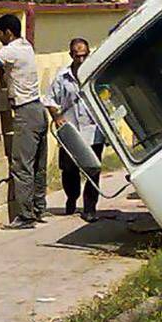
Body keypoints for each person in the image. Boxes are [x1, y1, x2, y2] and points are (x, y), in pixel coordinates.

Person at [0, 14, 48, 230]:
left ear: (8, 32)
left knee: (21, 166)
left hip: (25, 113)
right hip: (38, 110)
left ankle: (25, 217)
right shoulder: (25, 46)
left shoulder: (10, 50)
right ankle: (38, 208)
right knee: (38, 166)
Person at [43, 38, 104, 222]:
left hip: (94, 130)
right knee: (69, 169)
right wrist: (57, 116)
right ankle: (71, 197)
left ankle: (90, 208)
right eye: (78, 56)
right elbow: (50, 100)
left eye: (85, 55)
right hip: (71, 131)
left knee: (93, 169)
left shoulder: (96, 75)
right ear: (71, 55)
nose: (81, 60)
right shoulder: (63, 77)